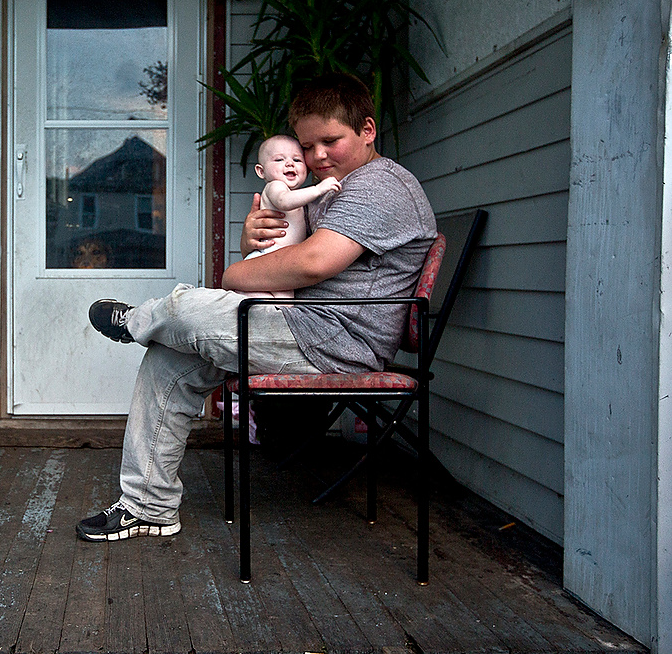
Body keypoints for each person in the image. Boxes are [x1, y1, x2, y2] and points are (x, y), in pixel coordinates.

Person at [77, 72, 436, 542]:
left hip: (335, 341)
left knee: (187, 309)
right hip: (302, 326)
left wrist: (236, 274)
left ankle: (135, 321)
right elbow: (284, 259)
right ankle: (149, 507)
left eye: (331, 140)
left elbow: (310, 264)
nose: (318, 156)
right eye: (308, 146)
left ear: (368, 130)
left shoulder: (378, 186)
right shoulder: (335, 187)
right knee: (167, 358)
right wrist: (252, 245)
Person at [235, 134, 341, 299]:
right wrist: (318, 189)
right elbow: (284, 201)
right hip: (268, 258)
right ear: (261, 171)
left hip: (279, 261)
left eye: (297, 160)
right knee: (281, 305)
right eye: (279, 160)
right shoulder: (275, 187)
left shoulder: (298, 196)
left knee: (277, 305)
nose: (290, 163)